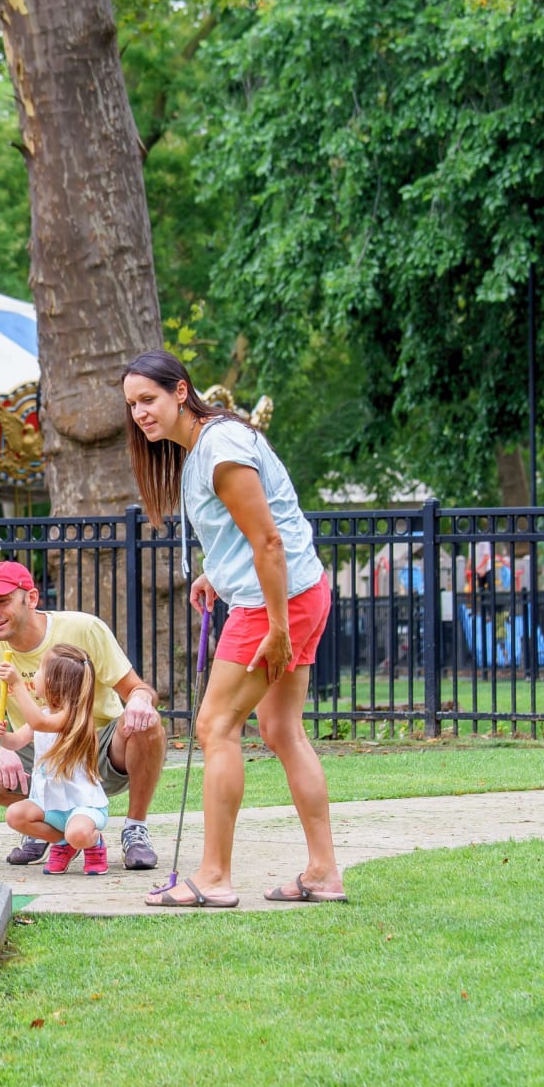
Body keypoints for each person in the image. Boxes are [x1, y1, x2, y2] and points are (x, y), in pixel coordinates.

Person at [121, 351, 345, 908]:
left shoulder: (218, 449)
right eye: (131, 405)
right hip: (297, 591)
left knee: (215, 726)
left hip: (278, 603)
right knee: (282, 731)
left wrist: (275, 626)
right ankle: (323, 873)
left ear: (180, 392)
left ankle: (214, 878)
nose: (140, 414)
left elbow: (269, 539)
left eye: (148, 399)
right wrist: (215, 575)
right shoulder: (205, 446)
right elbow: (248, 536)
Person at [0, 561, 166, 870]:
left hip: (97, 745)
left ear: (31, 599)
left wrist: (141, 701)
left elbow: (139, 689)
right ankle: (47, 824)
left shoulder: (83, 628)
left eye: (3, 601)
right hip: (40, 753)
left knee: (149, 722)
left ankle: (135, 828)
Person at [0, 644, 112, 875]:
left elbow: (39, 723)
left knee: (78, 833)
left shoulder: (72, 719)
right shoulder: (46, 714)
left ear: (53, 683)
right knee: (15, 815)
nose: (34, 675)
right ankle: (63, 843)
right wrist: (0, 736)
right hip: (50, 804)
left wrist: (17, 685)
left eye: (39, 670)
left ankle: (93, 842)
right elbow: (17, 741)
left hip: (83, 807)